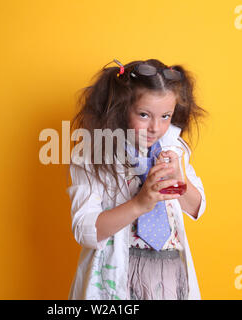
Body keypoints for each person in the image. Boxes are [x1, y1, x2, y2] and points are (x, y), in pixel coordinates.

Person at [66, 59, 208, 300]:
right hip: (118, 275)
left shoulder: (175, 149)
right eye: (144, 115)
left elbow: (197, 207)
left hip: (169, 276)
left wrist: (179, 178)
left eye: (165, 116)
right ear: (122, 109)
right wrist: (140, 204)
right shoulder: (92, 154)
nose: (155, 127)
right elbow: (84, 229)